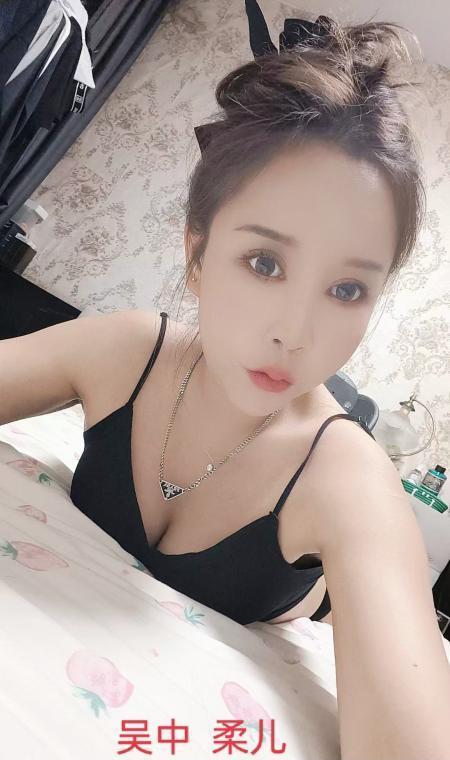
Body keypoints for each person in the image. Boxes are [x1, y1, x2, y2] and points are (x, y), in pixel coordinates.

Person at [2, 3, 450, 757]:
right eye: (264, 262)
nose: (295, 332)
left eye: (347, 289)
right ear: (197, 254)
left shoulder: (347, 481)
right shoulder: (128, 351)